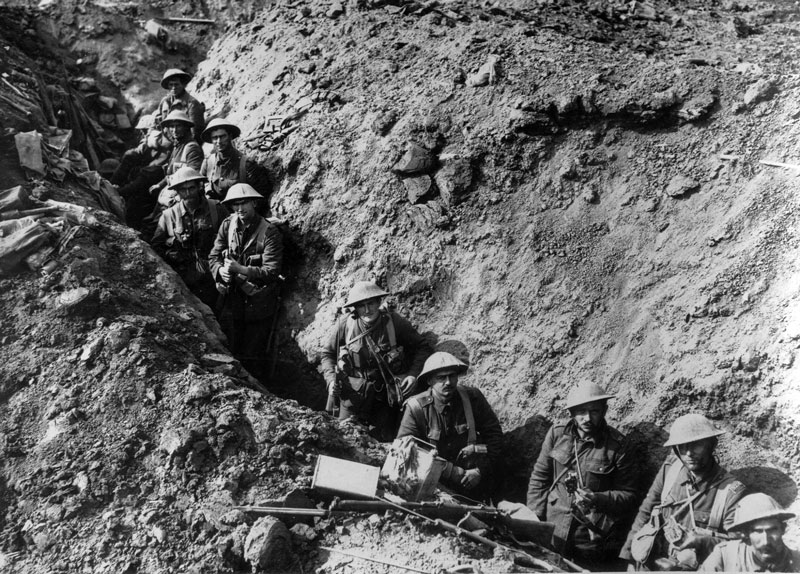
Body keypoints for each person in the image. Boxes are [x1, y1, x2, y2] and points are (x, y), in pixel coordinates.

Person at [527, 381, 638, 569]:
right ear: (571, 413)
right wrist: (533, 520)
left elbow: (630, 496)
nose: (587, 418)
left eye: (594, 411)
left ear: (604, 410)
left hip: (591, 536)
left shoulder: (618, 447)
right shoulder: (557, 434)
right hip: (553, 527)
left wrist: (598, 498)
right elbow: (539, 478)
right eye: (581, 412)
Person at [621, 413, 747, 571]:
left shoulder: (730, 491)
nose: (688, 453)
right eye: (683, 446)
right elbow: (646, 512)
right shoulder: (670, 470)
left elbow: (740, 546)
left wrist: (703, 541)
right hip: (651, 565)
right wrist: (630, 558)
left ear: (712, 444)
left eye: (697, 445)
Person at [320, 281, 432, 442]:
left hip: (385, 399)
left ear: (379, 302)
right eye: (361, 305)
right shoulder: (346, 325)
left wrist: (413, 375)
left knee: (385, 441)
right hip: (353, 395)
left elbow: (423, 347)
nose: (367, 310)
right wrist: (331, 381)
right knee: (342, 438)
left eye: (371, 303)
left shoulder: (394, 323)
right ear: (355, 308)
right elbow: (327, 354)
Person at [396, 351, 503, 500]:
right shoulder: (416, 408)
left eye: (452, 376)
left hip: (473, 480)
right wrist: (452, 472)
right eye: (441, 378)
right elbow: (404, 450)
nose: (448, 382)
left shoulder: (472, 398)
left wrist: (480, 471)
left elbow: (495, 437)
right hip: (435, 485)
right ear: (429, 381)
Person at [208, 183, 283, 380]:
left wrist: (241, 269)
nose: (240, 209)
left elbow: (272, 271)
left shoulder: (269, 232)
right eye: (235, 205)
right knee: (230, 348)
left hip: (258, 304)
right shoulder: (228, 225)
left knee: (253, 353)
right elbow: (213, 256)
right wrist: (220, 271)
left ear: (254, 203)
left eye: (244, 203)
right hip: (233, 301)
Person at [151, 166, 228, 309]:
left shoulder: (216, 209)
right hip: (183, 279)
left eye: (191, 188)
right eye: (182, 190)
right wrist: (170, 255)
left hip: (213, 276)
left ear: (199, 186)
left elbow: (232, 238)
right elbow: (156, 247)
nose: (188, 193)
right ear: (177, 191)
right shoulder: (169, 216)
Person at [700, 493, 800, 572]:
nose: (766, 541)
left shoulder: (797, 562)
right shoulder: (725, 556)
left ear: (783, 529)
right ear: (746, 535)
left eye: (772, 530)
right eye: (758, 531)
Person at [113, 114, 172, 229]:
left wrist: (120, 191)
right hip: (148, 178)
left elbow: (147, 176)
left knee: (135, 207)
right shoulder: (150, 142)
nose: (144, 134)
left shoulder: (163, 143)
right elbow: (136, 154)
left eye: (145, 131)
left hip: (156, 182)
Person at [199, 118, 271, 206]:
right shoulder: (208, 163)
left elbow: (261, 197)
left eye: (222, 136)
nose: (219, 141)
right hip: (217, 215)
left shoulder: (246, 165)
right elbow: (200, 190)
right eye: (215, 138)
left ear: (230, 136)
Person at [153, 68, 205, 143]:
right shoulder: (165, 102)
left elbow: (196, 133)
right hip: (167, 143)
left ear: (183, 85)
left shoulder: (192, 104)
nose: (173, 88)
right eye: (171, 85)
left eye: (176, 84)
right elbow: (157, 122)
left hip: (185, 144)